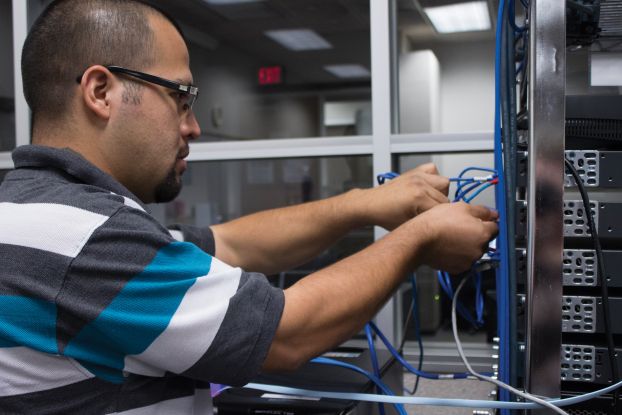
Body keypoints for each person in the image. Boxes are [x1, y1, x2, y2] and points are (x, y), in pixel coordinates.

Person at [0, 0, 498, 413]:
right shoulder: (85, 239)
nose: (192, 127)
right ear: (101, 92)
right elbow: (287, 334)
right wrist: (420, 237)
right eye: (181, 97)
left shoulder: (43, 215)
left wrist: (364, 205)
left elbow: (231, 242)